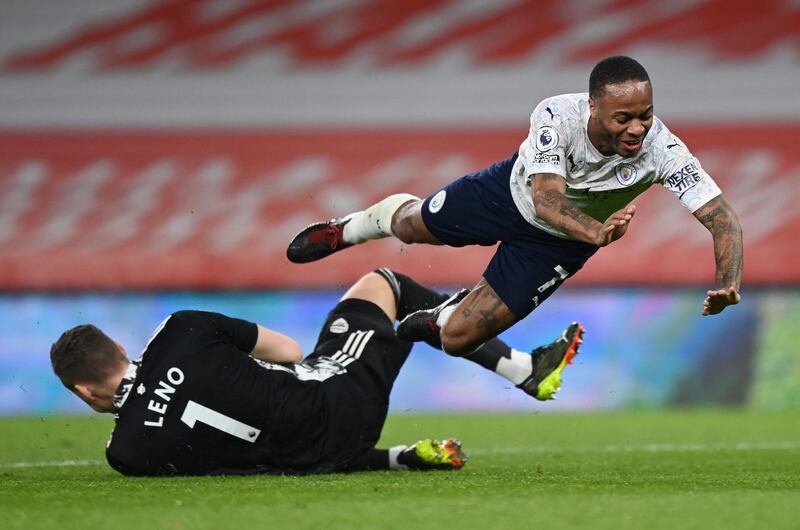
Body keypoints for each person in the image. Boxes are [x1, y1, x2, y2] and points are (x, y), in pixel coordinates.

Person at [287, 56, 743, 357]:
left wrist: (727, 283)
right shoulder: (555, 116)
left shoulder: (663, 150)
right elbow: (546, 198)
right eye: (623, 117)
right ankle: (354, 227)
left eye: (645, 114)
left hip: (556, 247)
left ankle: (441, 315)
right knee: (410, 227)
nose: (638, 128)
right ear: (592, 108)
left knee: (457, 340)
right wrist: (596, 234)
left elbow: (722, 219)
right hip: (505, 195)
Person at [50, 268, 583, 476]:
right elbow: (287, 350)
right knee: (385, 286)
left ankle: (397, 459)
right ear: (119, 345)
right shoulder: (180, 330)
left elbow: (244, 460)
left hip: (310, 458)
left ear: (81, 390)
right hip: (337, 405)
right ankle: (523, 370)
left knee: (270, 441)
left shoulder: (126, 455)